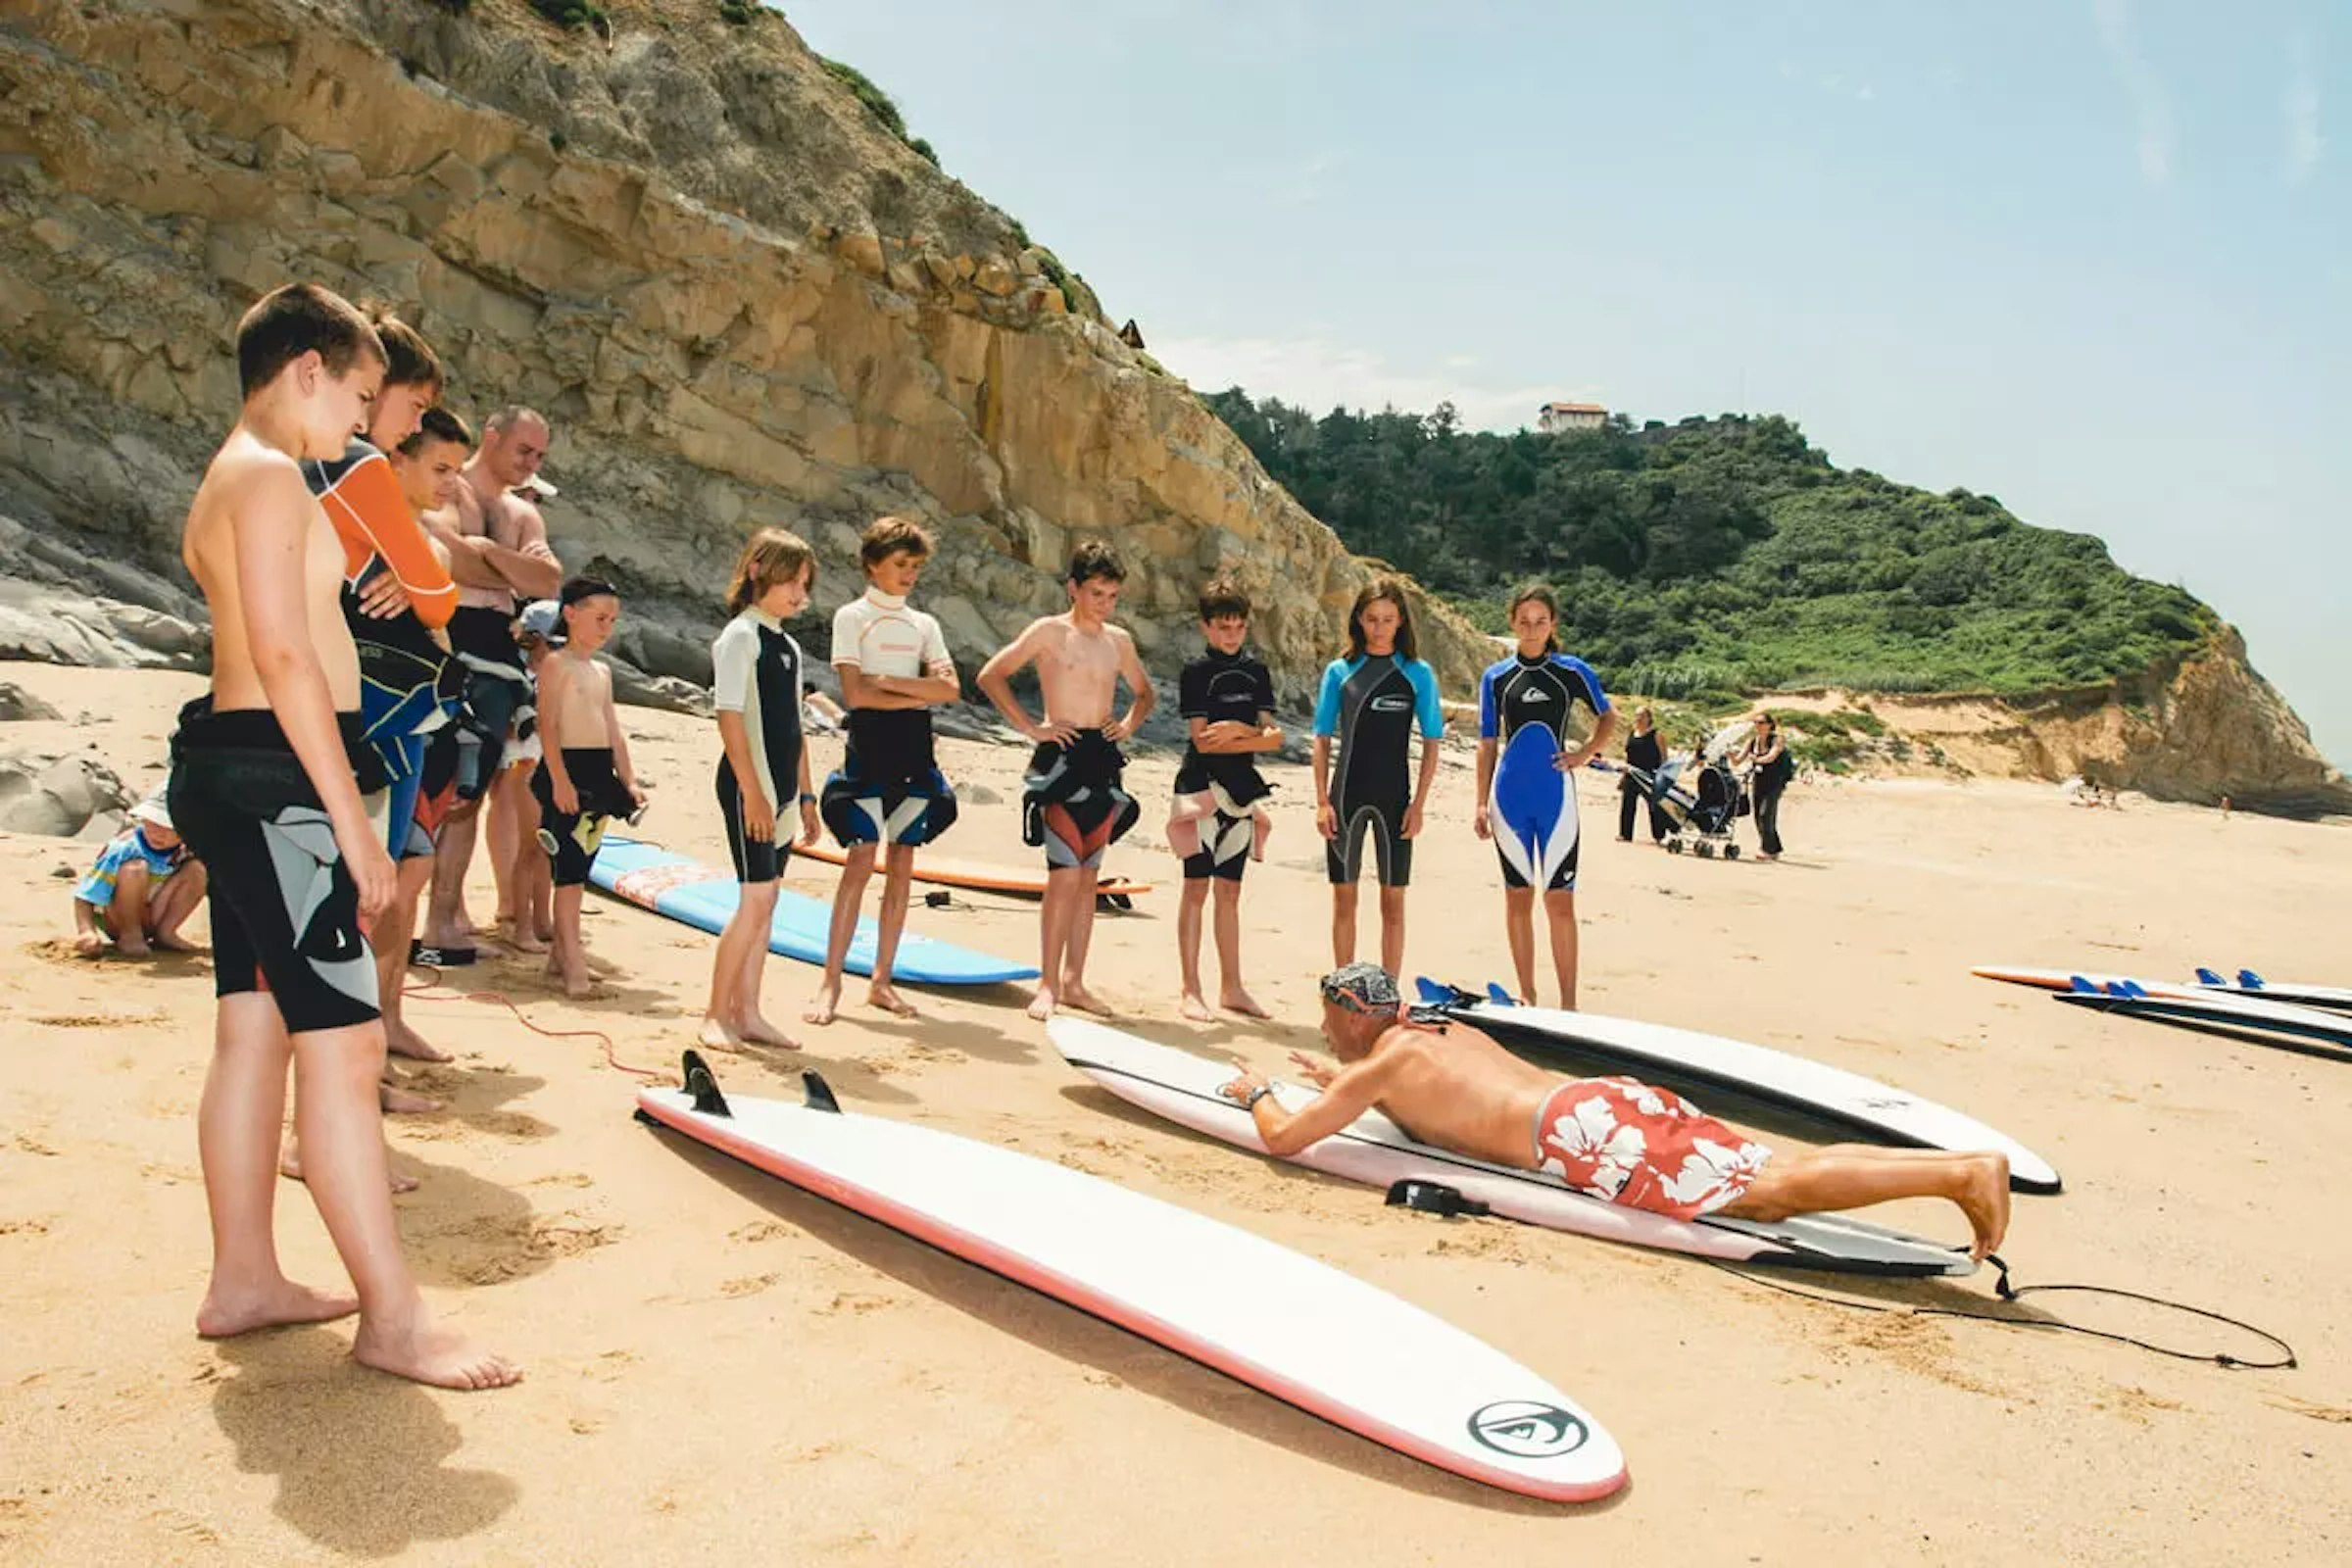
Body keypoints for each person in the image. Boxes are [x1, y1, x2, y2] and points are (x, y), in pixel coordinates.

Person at [167, 281, 516, 1388]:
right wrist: (350, 828)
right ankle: (393, 1320)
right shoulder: (272, 477)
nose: (366, 422)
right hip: (281, 784)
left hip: (232, 767)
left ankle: (244, 1278)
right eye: (362, 397)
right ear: (307, 370)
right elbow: (286, 656)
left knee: (253, 1028)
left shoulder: (226, 477)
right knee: (346, 1045)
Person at [1219, 963, 2012, 1259]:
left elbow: (1286, 1139)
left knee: (1771, 1196)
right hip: (1604, 1100)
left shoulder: (1383, 1063)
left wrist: (1256, 1091)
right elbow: (1438, 1101)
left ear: (1355, 1014)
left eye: (1330, 1019)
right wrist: (1341, 1077)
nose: (1325, 1030)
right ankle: (1958, 1166)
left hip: (1585, 1137)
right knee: (1774, 1165)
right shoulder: (1436, 1029)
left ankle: (1959, 1179)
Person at [308, 369, 470, 1068]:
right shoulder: (351, 518)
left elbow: (440, 631)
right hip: (371, 726)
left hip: (413, 725)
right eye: (440, 469)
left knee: (411, 865)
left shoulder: (424, 545)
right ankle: (358, 1046)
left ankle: (386, 1020)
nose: (451, 485)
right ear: (397, 458)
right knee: (371, 883)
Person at [978, 541, 1155, 1022]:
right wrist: (1031, 727)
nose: (1105, 603)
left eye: (1112, 596)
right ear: (1074, 588)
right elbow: (992, 675)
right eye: (1096, 593)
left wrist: (1128, 725)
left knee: (1089, 877)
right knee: (1063, 876)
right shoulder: (1049, 632)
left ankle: (1075, 982)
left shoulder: (1119, 641)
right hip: (1060, 757)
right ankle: (1048, 984)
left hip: (1103, 759)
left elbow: (1144, 693)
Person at [805, 517, 962, 1026]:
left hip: (915, 755)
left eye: (915, 566)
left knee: (902, 865)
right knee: (859, 860)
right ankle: (830, 981)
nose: (909, 574)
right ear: (873, 565)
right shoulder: (852, 617)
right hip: (868, 751)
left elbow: (950, 690)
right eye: (900, 564)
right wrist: (916, 689)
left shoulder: (925, 625)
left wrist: (889, 683)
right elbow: (855, 695)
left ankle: (881, 981)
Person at [420, 406, 563, 959]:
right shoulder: (446, 487)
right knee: (430, 783)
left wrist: (487, 554)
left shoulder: (521, 513)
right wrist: (504, 571)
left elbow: (548, 581)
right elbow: (446, 560)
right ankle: (420, 915)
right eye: (524, 450)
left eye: (540, 456)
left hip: (496, 657)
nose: (531, 464)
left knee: (470, 792)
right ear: (492, 437)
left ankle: (442, 921)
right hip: (445, 637)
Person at [702, 529, 820, 1051]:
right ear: (757, 571)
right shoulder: (741, 637)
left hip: (784, 792)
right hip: (748, 786)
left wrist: (807, 796)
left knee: (768, 902)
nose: (799, 593)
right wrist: (753, 792)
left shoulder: (787, 645)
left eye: (805, 584)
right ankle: (715, 1013)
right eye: (791, 581)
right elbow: (729, 717)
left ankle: (748, 1012)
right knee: (754, 900)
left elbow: (795, 727)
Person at [1474, 584, 1614, 1007]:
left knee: (1559, 900)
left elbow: (1607, 717)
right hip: (1508, 800)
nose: (1532, 628)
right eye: (1524, 621)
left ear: (1552, 624)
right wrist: (1479, 802)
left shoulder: (1571, 671)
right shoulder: (1496, 677)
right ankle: (1527, 995)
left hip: (1556, 800)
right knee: (1518, 897)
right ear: (1512, 623)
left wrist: (1585, 754)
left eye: (1540, 621)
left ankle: (1569, 1004)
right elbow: (1487, 742)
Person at [1311, 578, 1444, 977]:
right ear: (1358, 619)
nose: (1379, 627)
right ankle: (1344, 989)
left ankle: (1389, 992)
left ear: (1401, 621)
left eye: (1388, 619)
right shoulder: (1339, 671)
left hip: (1396, 800)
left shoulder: (1418, 674)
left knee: (1393, 904)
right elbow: (1321, 738)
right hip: (1345, 797)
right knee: (1344, 901)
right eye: (1371, 619)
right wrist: (1321, 802)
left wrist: (1419, 805)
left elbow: (1432, 740)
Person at [1168, 575, 1281, 1022]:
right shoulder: (1196, 673)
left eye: (1238, 626)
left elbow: (1274, 738)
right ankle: (1190, 989)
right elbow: (1202, 740)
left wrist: (1238, 730)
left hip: (1241, 793)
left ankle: (1232, 987)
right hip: (1200, 789)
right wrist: (1254, 736)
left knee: (1230, 891)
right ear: (1206, 627)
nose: (1231, 634)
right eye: (1222, 627)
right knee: (1196, 887)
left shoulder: (1257, 673)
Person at [531, 577, 644, 998]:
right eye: (599, 618)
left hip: (599, 773)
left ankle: (559, 958)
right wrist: (560, 780)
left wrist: (628, 779)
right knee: (568, 873)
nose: (606, 628)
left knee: (584, 863)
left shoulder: (602, 670)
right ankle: (574, 963)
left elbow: (613, 729)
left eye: (612, 621)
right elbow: (547, 725)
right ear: (570, 614)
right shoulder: (556, 663)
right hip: (567, 769)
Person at [71, 787, 206, 957]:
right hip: (116, 916)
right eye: (152, 823)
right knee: (135, 868)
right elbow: (85, 894)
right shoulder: (125, 848)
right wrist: (87, 931)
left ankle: (166, 933)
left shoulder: (186, 848)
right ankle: (130, 935)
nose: (158, 833)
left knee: (198, 870)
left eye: (168, 827)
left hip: (154, 911)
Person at [499, 598, 562, 956]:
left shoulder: (558, 674)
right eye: (554, 644)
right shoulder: (519, 677)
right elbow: (510, 728)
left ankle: (542, 920)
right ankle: (522, 927)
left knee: (546, 846)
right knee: (530, 846)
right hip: (526, 763)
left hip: (549, 765)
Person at [1742, 713, 1792, 860]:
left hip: (1775, 782)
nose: (1758, 725)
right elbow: (1738, 760)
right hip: (1759, 780)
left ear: (1770, 725)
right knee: (1758, 815)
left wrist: (1756, 759)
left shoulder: (1777, 740)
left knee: (1766, 814)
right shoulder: (1752, 741)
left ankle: (1766, 849)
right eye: (1756, 722)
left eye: (1761, 722)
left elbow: (1771, 757)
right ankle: (1773, 848)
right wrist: (1730, 754)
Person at [1617, 706, 1669, 845]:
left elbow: (1664, 757)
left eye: (1642, 716)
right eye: (1637, 715)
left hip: (1649, 776)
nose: (1638, 718)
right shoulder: (1632, 734)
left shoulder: (1657, 735)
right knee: (1627, 804)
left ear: (1649, 718)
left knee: (1654, 806)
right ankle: (1625, 834)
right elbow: (1628, 755)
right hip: (1632, 774)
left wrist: (1663, 777)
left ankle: (1659, 835)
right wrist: (1623, 774)